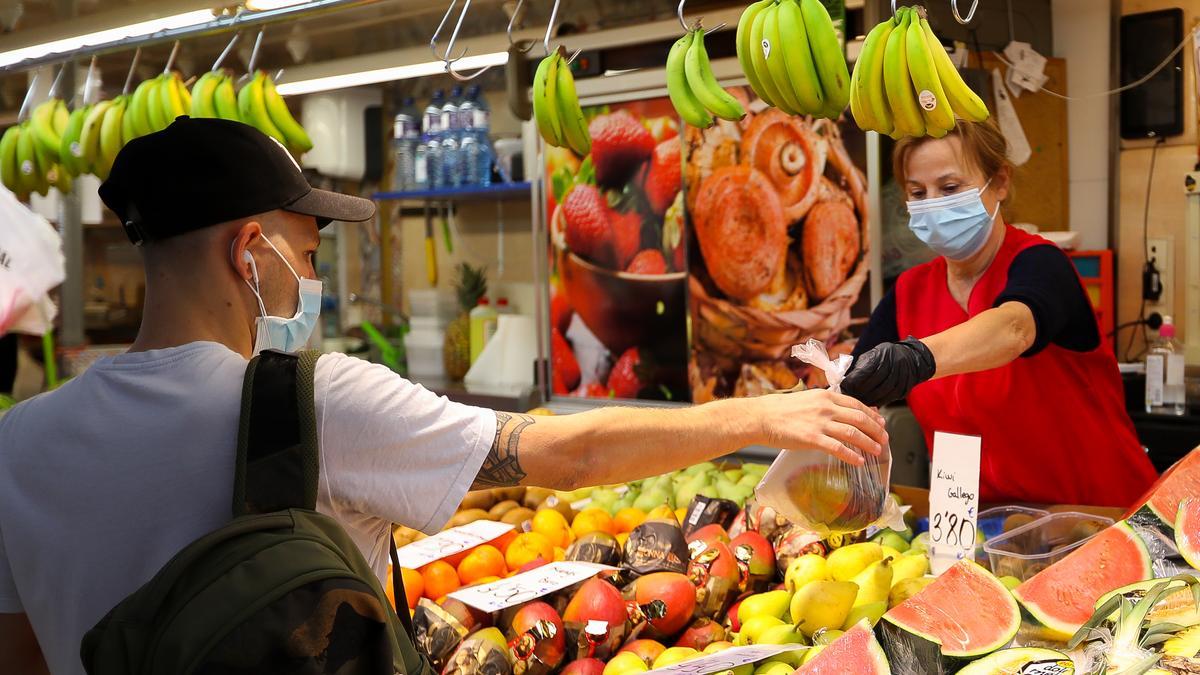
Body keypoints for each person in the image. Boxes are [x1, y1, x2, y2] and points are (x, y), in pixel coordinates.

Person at [0, 117, 885, 674]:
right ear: (247, 254)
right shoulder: (307, 403)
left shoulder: (18, 445)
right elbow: (561, 452)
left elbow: (23, 652)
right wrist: (761, 414)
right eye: (306, 254)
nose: (311, 277)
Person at [842, 120, 1156, 507]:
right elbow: (849, 384)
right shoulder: (909, 291)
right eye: (918, 193)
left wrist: (917, 357)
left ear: (1000, 182)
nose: (933, 204)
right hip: (983, 526)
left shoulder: (1041, 264)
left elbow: (1013, 329)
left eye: (950, 188)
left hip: (1098, 513)